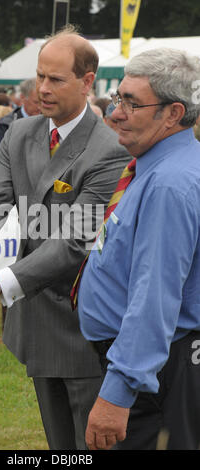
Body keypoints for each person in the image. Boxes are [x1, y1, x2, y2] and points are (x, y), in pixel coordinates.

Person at [0, 25, 130, 449]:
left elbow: (74, 240)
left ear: (87, 81)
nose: (42, 88)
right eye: (39, 76)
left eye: (55, 79)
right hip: (37, 326)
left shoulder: (110, 148)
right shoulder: (19, 134)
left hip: (87, 330)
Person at [77, 47, 200, 450]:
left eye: (132, 103)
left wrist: (119, 391)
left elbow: (155, 298)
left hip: (158, 374)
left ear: (173, 113)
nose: (114, 114)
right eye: (117, 98)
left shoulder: (169, 184)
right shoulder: (155, 168)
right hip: (153, 365)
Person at [0, 78, 40, 156]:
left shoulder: (50, 122)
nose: (40, 107)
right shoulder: (5, 125)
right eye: (36, 102)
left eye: (43, 102)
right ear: (22, 97)